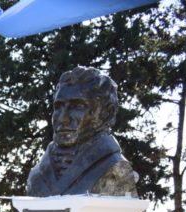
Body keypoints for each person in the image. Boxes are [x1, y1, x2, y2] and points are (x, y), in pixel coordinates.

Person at [26, 66, 137, 197]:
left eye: (78, 106)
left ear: (107, 113)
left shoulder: (116, 171)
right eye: (58, 107)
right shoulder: (37, 174)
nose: (63, 118)